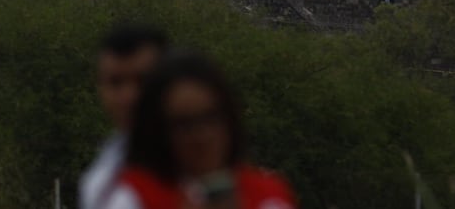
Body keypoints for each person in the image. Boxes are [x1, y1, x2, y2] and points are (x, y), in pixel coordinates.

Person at [105, 52, 297, 209]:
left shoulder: (270, 194)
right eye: (183, 124)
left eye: (211, 118)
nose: (201, 134)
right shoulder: (130, 197)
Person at [78, 26, 169, 209]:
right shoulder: (98, 180)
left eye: (142, 80)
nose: (129, 96)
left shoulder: (203, 166)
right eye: (115, 82)